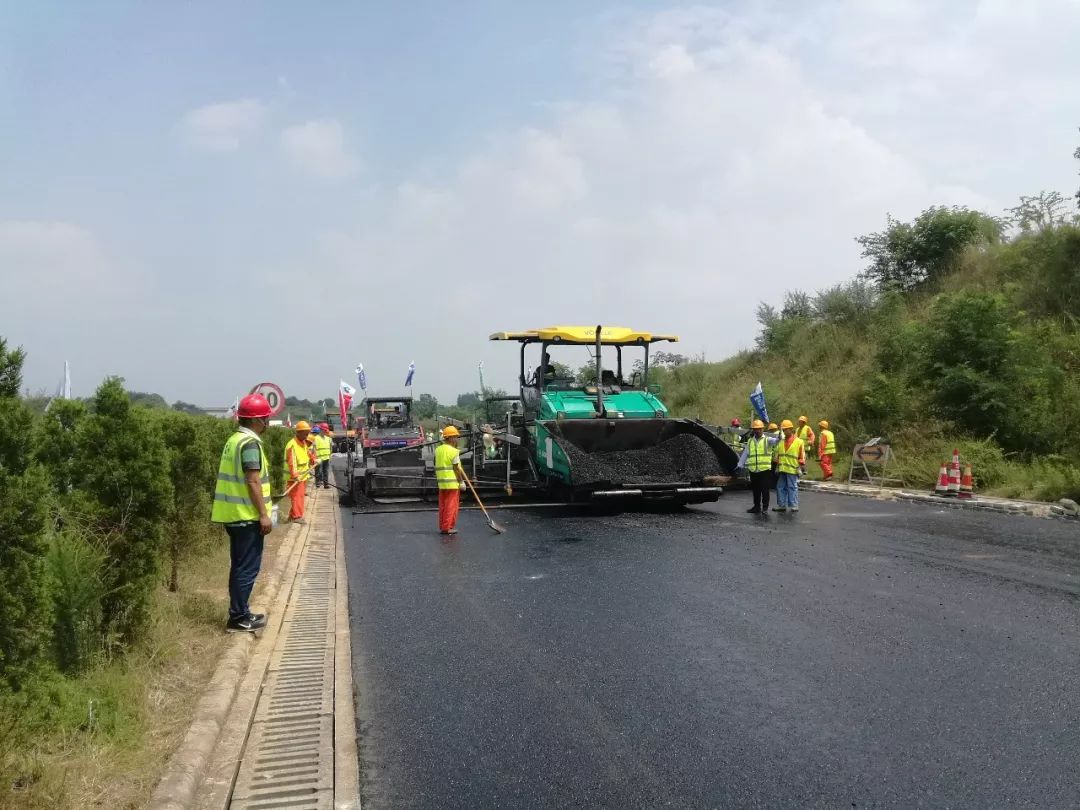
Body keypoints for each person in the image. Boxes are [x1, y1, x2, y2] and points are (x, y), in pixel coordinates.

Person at [211, 393, 273, 633]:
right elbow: (252, 480)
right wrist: (263, 514)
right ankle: (238, 617)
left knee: (239, 567)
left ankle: (241, 612)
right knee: (247, 568)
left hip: (234, 515)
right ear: (256, 420)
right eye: (265, 418)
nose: (267, 422)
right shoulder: (249, 444)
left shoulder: (234, 440)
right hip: (246, 516)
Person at [736, 419, 777, 514]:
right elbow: (745, 454)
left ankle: (765, 508)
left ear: (762, 429)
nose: (757, 431)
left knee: (765, 490)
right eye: (755, 429)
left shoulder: (767, 440)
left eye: (759, 429)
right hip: (753, 470)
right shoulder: (750, 441)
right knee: (756, 490)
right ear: (753, 430)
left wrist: (780, 436)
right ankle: (756, 507)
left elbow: (777, 441)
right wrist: (739, 465)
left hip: (764, 470)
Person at [434, 425, 467, 535]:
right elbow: (456, 469)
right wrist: (461, 482)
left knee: (443, 506)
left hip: (442, 483)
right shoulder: (453, 451)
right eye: (456, 437)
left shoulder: (438, 450)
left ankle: (443, 526)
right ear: (451, 438)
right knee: (451, 506)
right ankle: (447, 528)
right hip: (452, 483)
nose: (457, 439)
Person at [772, 419, 806, 512]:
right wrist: (776, 463)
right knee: (780, 487)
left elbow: (802, 455)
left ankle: (794, 505)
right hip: (782, 468)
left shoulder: (799, 442)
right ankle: (781, 505)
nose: (784, 432)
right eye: (783, 430)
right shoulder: (781, 442)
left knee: (792, 487)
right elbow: (777, 454)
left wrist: (801, 467)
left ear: (791, 429)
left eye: (785, 429)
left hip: (792, 469)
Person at [285, 421, 313, 523]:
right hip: (295, 477)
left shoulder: (303, 443)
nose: (306, 436)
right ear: (298, 432)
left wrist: (314, 460)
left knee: (299, 496)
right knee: (297, 497)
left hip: (303, 476)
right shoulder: (292, 445)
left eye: (307, 433)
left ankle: (292, 516)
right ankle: (297, 517)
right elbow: (291, 462)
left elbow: (308, 453)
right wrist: (295, 475)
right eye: (305, 434)